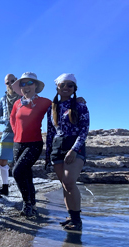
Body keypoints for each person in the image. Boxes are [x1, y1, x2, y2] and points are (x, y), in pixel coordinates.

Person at [46, 73, 90, 231]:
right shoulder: (52, 108)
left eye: (69, 85)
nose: (65, 88)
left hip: (74, 146)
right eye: (62, 85)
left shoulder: (80, 106)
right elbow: (50, 133)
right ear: (57, 87)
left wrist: (73, 149)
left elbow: (84, 131)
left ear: (74, 88)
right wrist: (47, 155)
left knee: (70, 182)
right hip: (57, 148)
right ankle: (71, 216)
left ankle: (77, 221)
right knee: (64, 185)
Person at [10, 72, 52, 217]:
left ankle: (26, 203)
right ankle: (32, 204)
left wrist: (77, 100)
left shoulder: (45, 102)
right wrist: (17, 134)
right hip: (17, 143)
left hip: (34, 143)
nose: (26, 87)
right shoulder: (17, 103)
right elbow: (12, 119)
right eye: (23, 84)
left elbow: (62, 107)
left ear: (35, 85)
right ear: (20, 87)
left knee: (17, 171)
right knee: (26, 174)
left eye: (30, 83)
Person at [0, 74, 20, 195]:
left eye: (12, 81)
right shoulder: (2, 99)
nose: (10, 84)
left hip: (21, 132)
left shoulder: (23, 97)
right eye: (8, 82)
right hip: (7, 131)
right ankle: (5, 187)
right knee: (2, 159)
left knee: (20, 160)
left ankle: (25, 189)